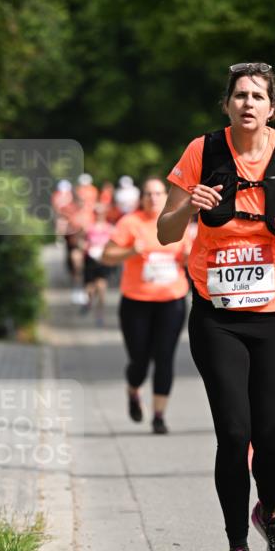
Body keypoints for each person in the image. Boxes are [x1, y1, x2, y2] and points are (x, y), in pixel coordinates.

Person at [158, 62, 275, 551]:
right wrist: (189, 205)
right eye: (239, 95)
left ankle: (268, 511)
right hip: (217, 313)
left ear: (272, 107)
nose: (248, 103)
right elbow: (165, 232)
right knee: (233, 434)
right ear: (226, 104)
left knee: (271, 436)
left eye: (257, 96)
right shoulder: (201, 152)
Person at [102, 177, 192, 434]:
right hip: (136, 302)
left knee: (164, 358)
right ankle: (133, 390)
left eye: (158, 193)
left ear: (166, 196)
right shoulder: (130, 223)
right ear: (141, 198)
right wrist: (131, 250)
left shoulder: (178, 222)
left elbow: (191, 257)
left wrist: (187, 258)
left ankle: (159, 416)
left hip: (171, 301)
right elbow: (107, 256)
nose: (153, 198)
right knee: (139, 360)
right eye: (149, 194)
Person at [82, 204, 113, 326]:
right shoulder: (88, 228)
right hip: (90, 259)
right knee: (90, 288)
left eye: (101, 213)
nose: (99, 215)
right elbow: (80, 241)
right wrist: (85, 246)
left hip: (103, 260)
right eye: (97, 213)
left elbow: (115, 243)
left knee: (101, 287)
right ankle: (89, 302)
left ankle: (100, 314)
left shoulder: (110, 228)